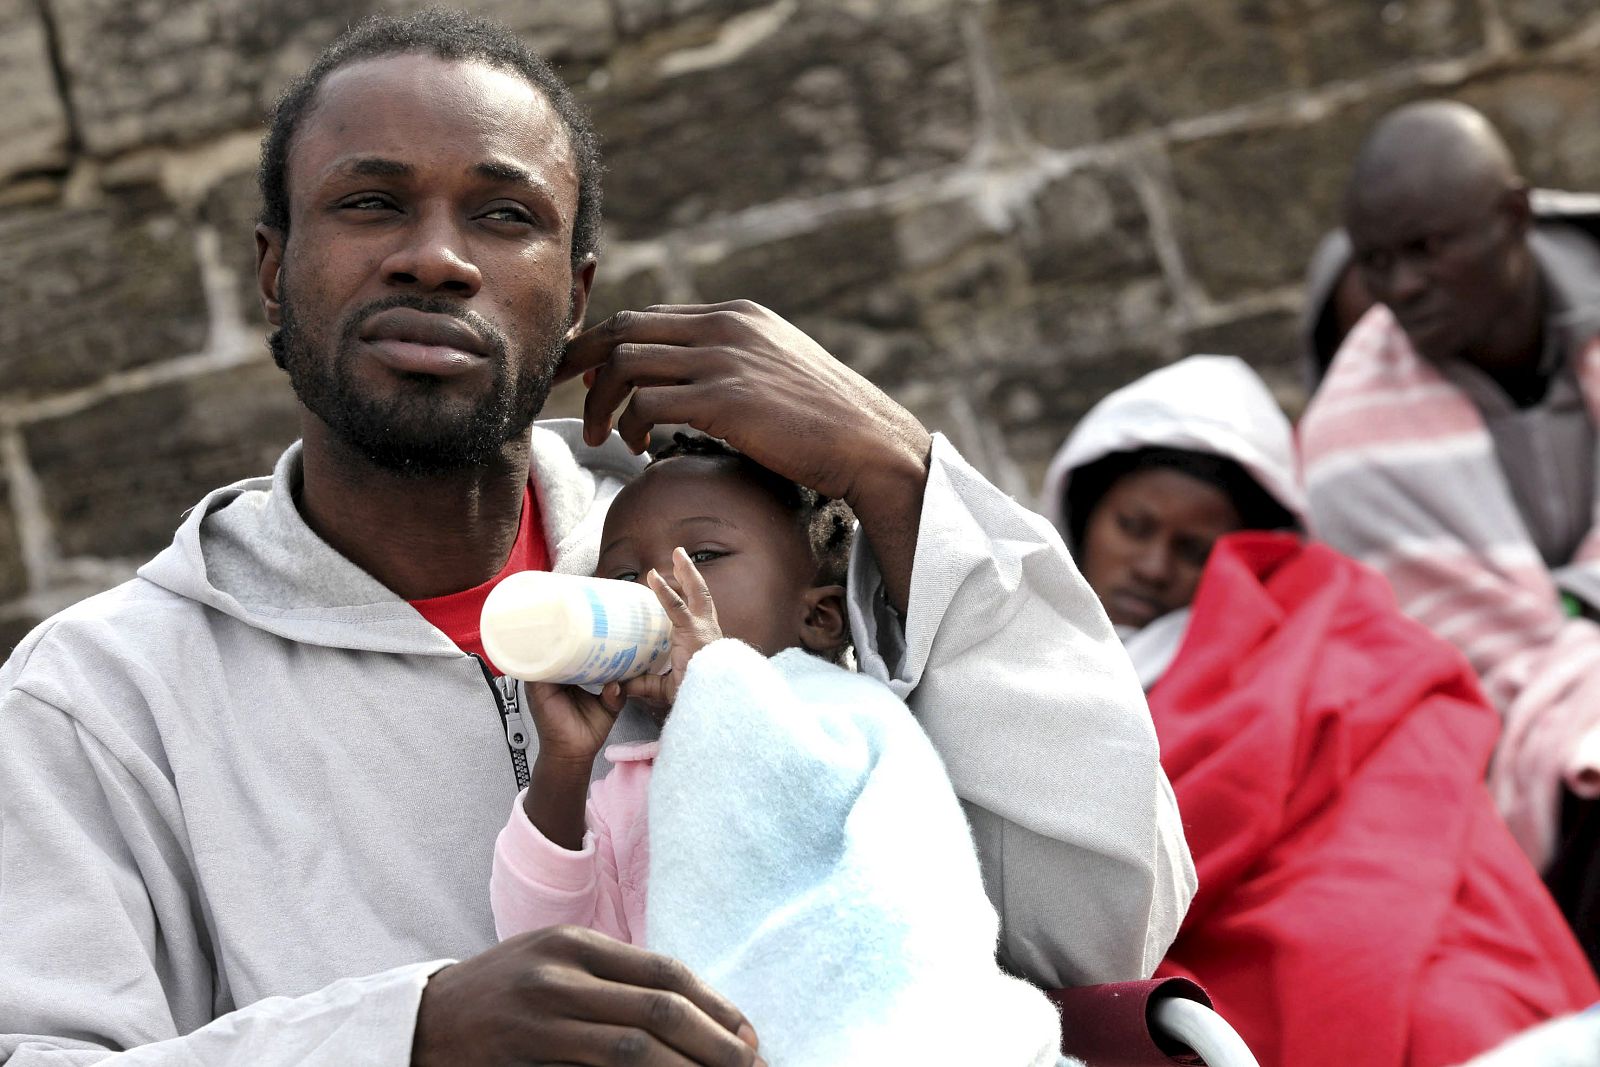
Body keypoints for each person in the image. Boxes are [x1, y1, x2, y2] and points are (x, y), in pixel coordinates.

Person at [0, 10, 1193, 1066]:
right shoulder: (103, 696)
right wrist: (410, 1034)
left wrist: (896, 465)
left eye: (503, 214)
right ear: (273, 271)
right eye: (370, 203)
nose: (435, 256)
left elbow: (1104, 918)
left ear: (574, 297)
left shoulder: (769, 559)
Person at [1042, 355, 1600, 1067]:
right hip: (1185, 965)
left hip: (1358, 932)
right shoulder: (1025, 656)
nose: (1152, 566)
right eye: (1134, 526)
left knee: (1456, 1011)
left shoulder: (1319, 628)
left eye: (1193, 549)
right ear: (1083, 512)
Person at [491, 435, 1066, 1066]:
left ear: (819, 618)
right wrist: (565, 766)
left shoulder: (848, 714)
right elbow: (548, 953)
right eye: (625, 577)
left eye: (703, 556)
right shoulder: (623, 788)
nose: (657, 589)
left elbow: (892, 880)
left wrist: (716, 680)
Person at [1299, 100, 1600, 964]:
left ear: (1513, 216)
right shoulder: (1347, 437)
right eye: (1376, 261)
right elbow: (1430, 659)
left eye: (1427, 249)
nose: (1401, 287)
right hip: (1520, 765)